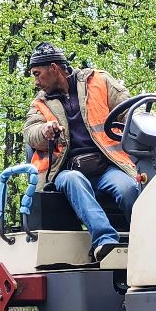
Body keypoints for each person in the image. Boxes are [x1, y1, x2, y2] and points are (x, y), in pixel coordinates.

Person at [23, 41, 142, 261]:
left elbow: (131, 112)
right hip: (66, 170)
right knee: (74, 181)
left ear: (54, 68)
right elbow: (30, 132)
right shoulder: (39, 104)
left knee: (128, 188)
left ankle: (146, 241)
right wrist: (44, 130)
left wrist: (148, 127)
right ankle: (105, 240)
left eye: (38, 74)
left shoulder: (99, 81)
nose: (36, 82)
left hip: (106, 167)